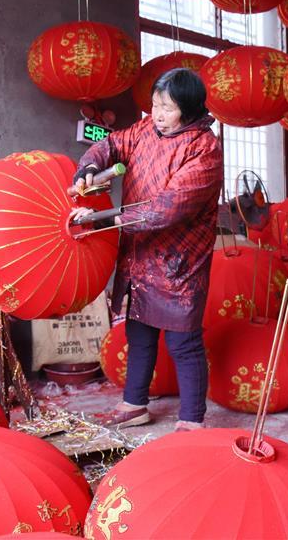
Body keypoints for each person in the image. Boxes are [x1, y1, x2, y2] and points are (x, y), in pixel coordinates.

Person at [70, 68, 223, 432]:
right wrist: (90, 166)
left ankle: (191, 420)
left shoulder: (204, 148)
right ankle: (134, 404)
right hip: (139, 252)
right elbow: (110, 145)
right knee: (138, 334)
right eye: (154, 104)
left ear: (188, 109)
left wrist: (101, 218)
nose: (157, 114)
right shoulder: (144, 130)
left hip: (178, 262)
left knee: (183, 342)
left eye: (167, 108)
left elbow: (165, 209)